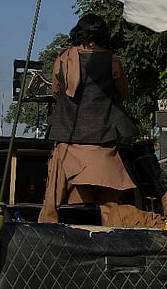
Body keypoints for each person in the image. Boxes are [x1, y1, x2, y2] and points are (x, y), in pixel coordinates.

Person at [38, 14, 138, 224]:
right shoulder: (113, 62)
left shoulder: (64, 60)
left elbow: (57, 93)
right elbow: (123, 95)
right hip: (103, 150)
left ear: (79, 33)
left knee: (55, 207)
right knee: (111, 211)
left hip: (68, 146)